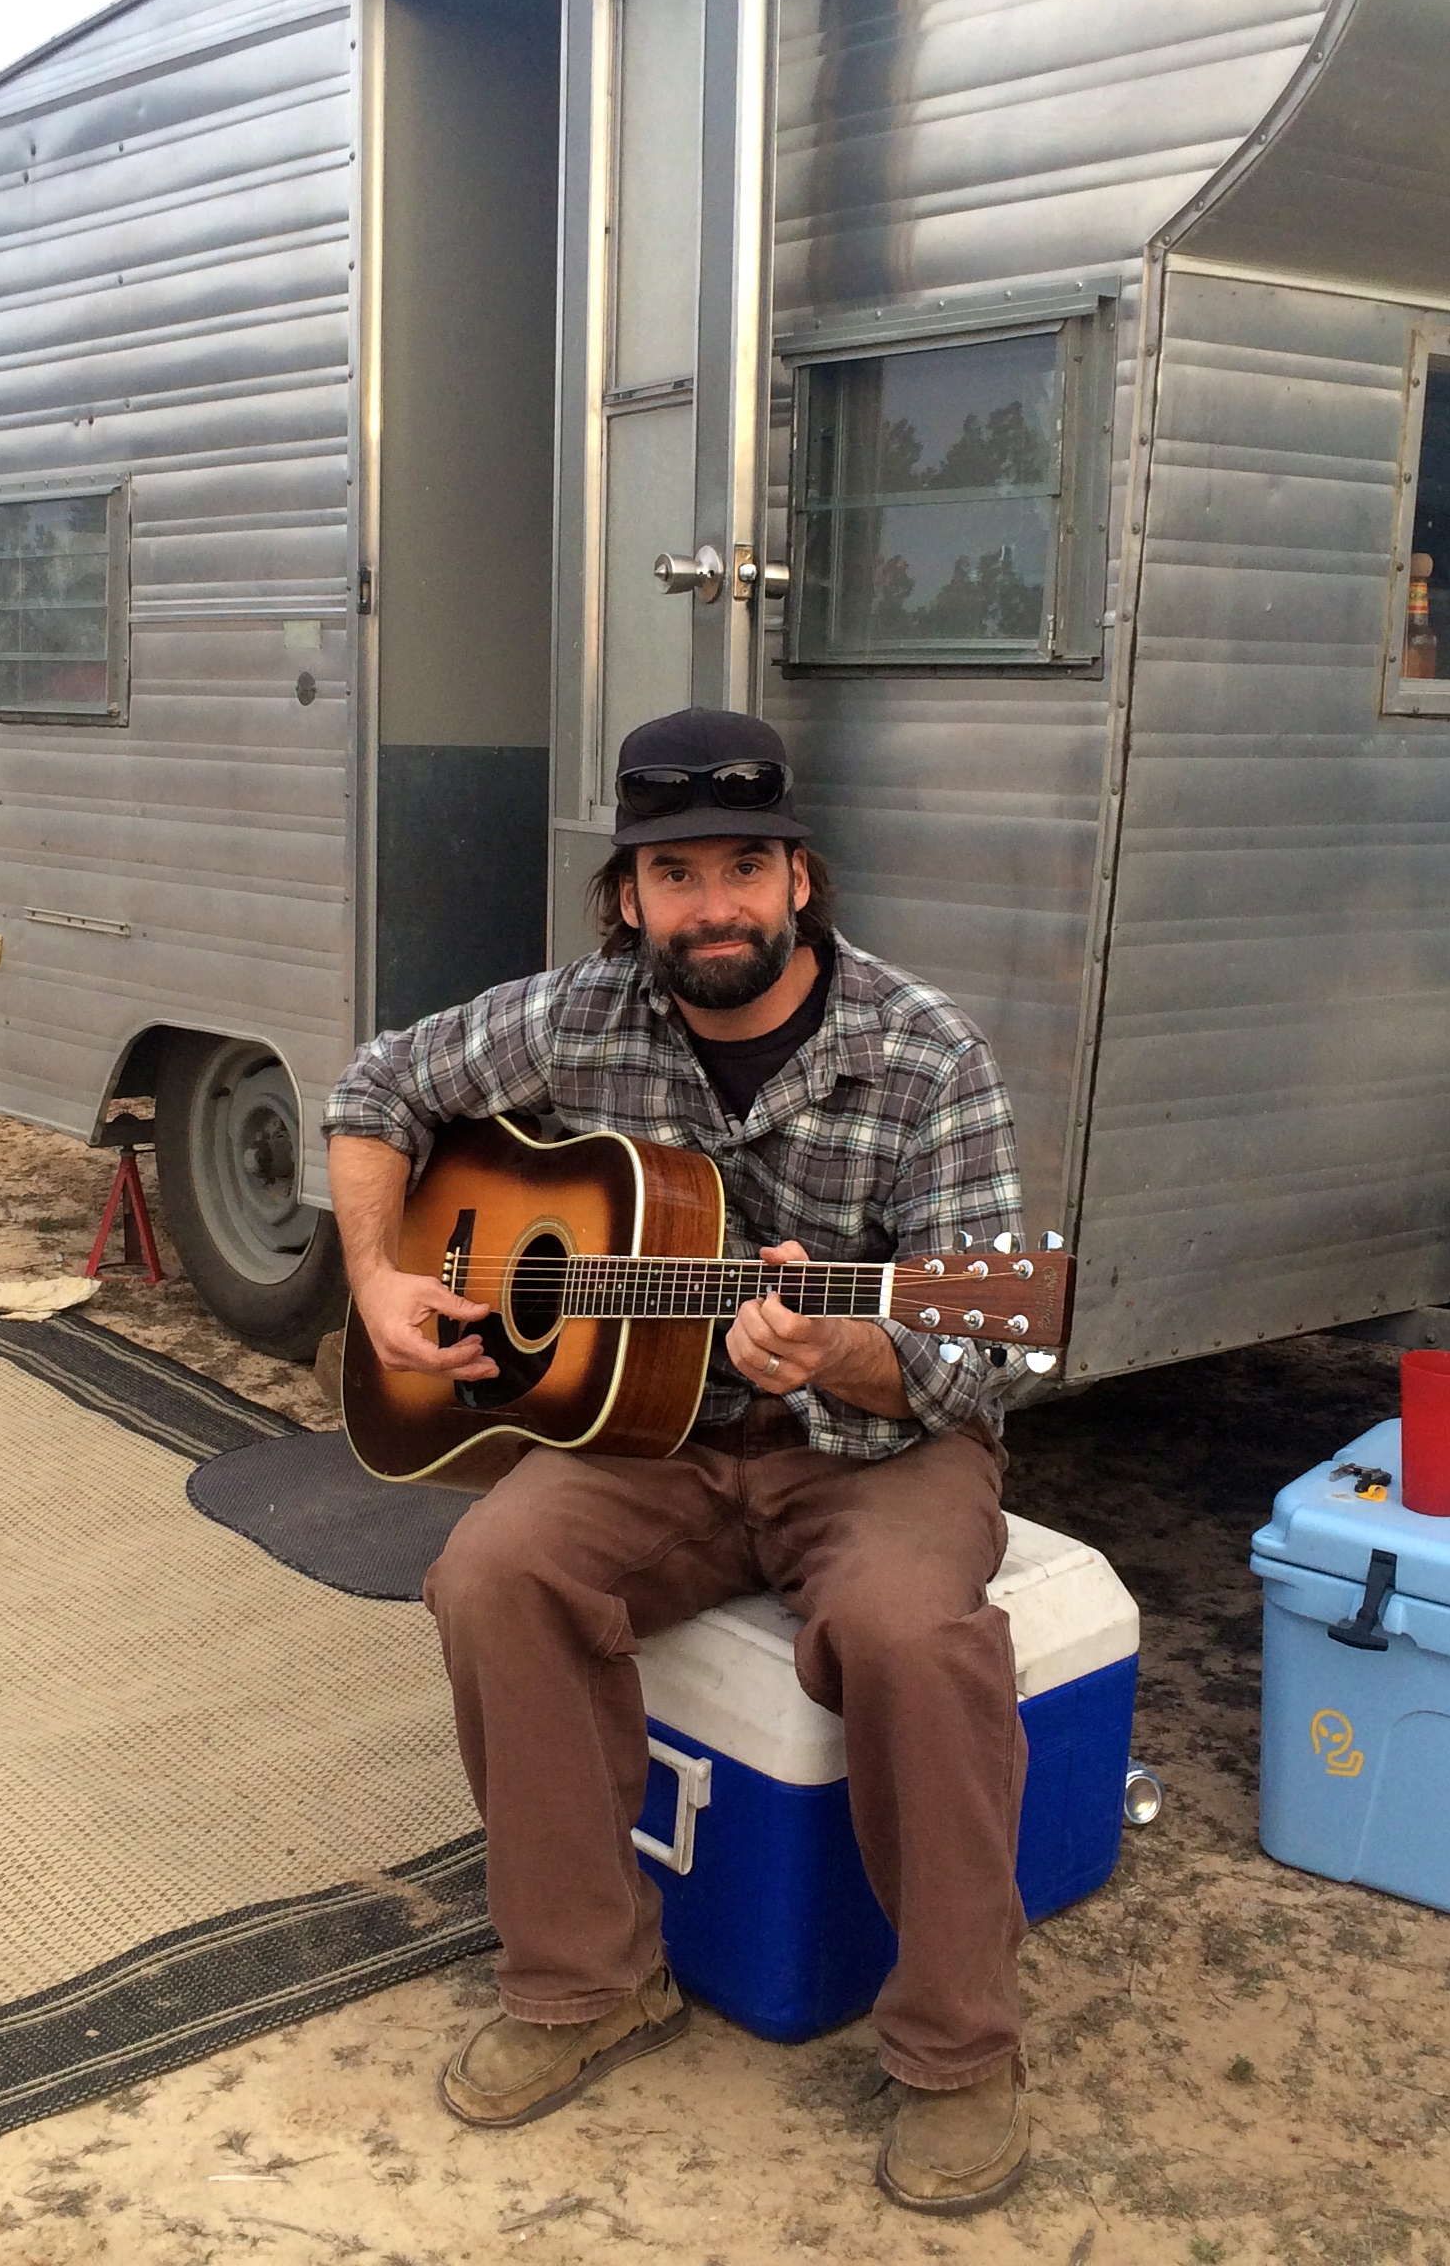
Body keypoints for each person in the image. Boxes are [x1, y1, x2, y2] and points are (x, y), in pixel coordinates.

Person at [322, 705, 1038, 2216]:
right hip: (650, 1435)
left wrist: (843, 1349)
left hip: (877, 1445)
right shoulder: (581, 1014)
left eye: (744, 868)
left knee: (912, 1634)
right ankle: (588, 1984)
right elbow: (377, 1087)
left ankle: (959, 2050)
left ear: (800, 880)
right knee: (493, 1574)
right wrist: (380, 1275)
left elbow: (983, 1352)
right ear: (629, 897)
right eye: (676, 874)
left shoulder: (925, 1053)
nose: (714, 905)